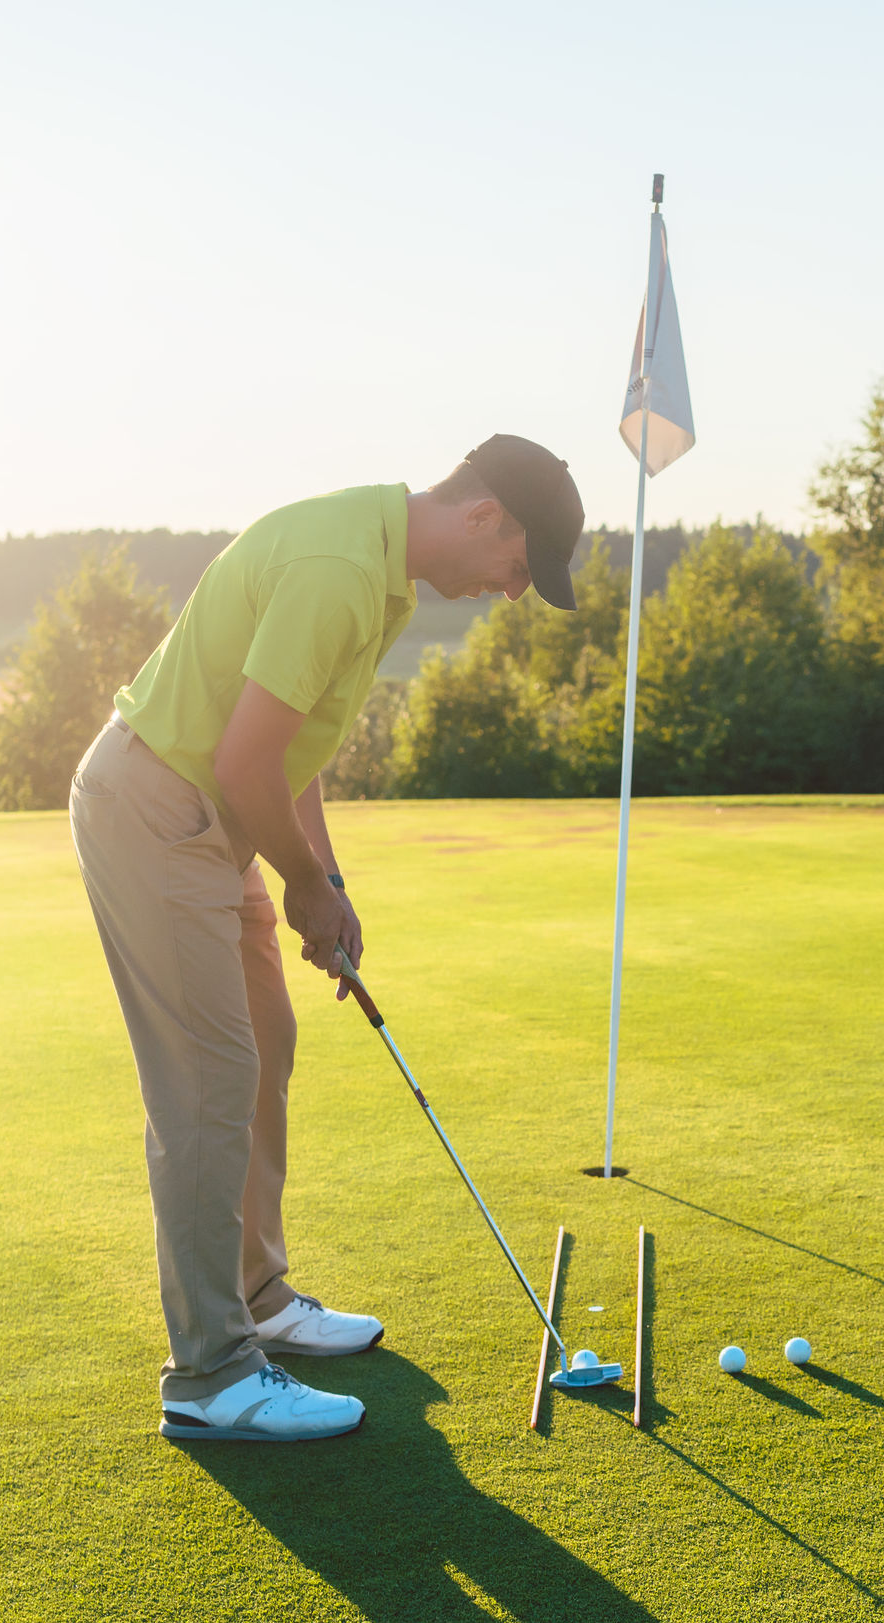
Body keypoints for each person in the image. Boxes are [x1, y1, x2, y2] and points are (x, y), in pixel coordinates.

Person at [70, 436, 584, 1440]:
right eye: (521, 567)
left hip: (213, 809)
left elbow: (292, 749)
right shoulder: (341, 571)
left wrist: (328, 879)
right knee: (208, 1082)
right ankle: (210, 1374)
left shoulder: (382, 571)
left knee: (267, 1041)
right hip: (160, 804)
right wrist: (300, 882)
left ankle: (257, 1294)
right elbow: (245, 756)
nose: (514, 593)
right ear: (486, 517)